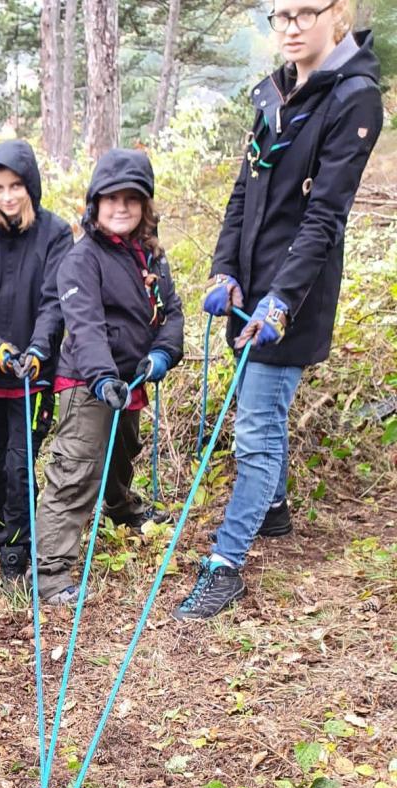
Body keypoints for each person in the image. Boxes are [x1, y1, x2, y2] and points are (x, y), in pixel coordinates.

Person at [175, 0, 383, 621]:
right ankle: (272, 508)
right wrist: (225, 270)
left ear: (337, 13)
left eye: (304, 13)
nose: (291, 27)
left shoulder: (354, 98)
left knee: (256, 429)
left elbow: (325, 218)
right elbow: (245, 190)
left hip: (296, 293)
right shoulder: (274, 92)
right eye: (280, 16)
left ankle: (226, 566)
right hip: (253, 285)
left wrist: (282, 301)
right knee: (257, 407)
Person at [35, 149, 184, 606]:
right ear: (94, 205)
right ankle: (49, 572)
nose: (121, 207)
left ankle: (121, 508)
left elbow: (172, 313)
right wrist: (100, 379)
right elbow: (85, 326)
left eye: (131, 199)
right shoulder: (82, 260)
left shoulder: (152, 259)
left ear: (145, 206)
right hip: (87, 382)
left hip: (131, 380)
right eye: (110, 198)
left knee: (121, 454)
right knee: (77, 469)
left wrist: (162, 352)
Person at [0, 139, 73, 589]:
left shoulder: (55, 234)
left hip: (33, 377)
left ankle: (18, 550)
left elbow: (55, 302)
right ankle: (0, 533)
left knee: (17, 466)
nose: (7, 196)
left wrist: (37, 350)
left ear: (30, 185)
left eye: (15, 186)